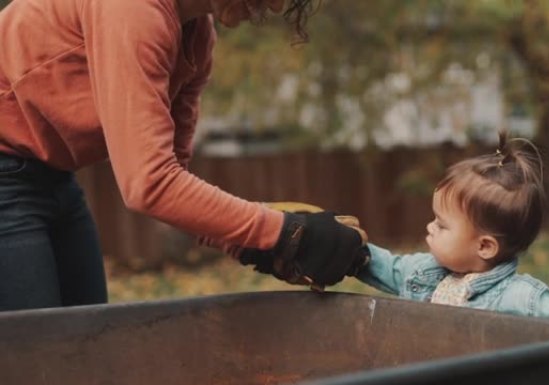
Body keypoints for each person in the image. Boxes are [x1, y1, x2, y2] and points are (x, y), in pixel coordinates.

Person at [0, 0, 366, 311]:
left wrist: (250, 244)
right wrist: (281, 232)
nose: (272, 5)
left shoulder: (196, 38)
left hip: (51, 177)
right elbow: (150, 184)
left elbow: (173, 180)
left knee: (85, 347)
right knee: (38, 357)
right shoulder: (131, 11)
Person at [354, 132, 549, 384]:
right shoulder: (426, 272)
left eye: (442, 225)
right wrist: (352, 250)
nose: (430, 227)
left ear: (484, 246)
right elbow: (387, 266)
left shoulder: (523, 300)